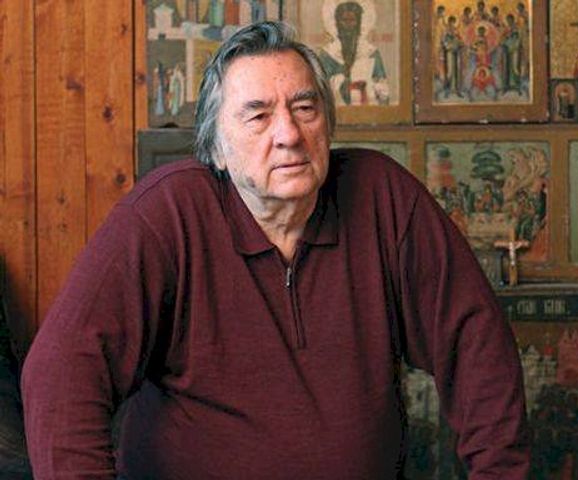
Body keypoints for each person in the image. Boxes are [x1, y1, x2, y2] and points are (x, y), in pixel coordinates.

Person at [21, 21, 529, 479]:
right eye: (258, 116)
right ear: (216, 148)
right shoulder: (167, 215)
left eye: (304, 109)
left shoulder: (382, 198)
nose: (289, 134)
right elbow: (61, 374)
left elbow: (477, 343)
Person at [317, 0, 390, 106]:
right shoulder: (328, 54)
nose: (348, 25)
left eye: (352, 20)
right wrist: (339, 82)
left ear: (359, 22)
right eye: (344, 20)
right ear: (337, 22)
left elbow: (383, 89)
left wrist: (368, 86)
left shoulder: (371, 52)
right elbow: (320, 88)